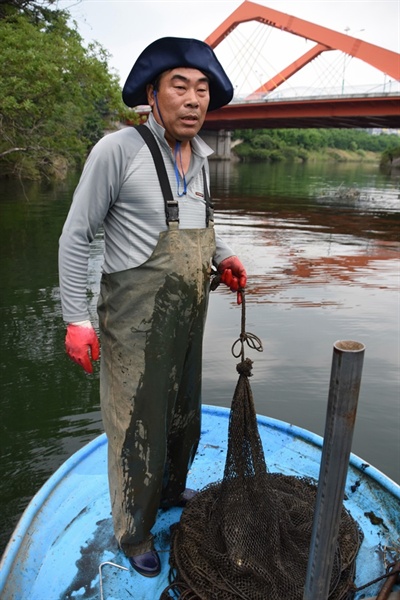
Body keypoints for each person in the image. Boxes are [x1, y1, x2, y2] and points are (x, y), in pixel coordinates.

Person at [58, 36, 247, 578]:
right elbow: (77, 236)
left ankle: (168, 492)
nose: (193, 100)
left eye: (202, 89)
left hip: (189, 315)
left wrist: (226, 256)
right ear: (152, 94)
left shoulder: (203, 160)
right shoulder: (116, 151)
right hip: (134, 322)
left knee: (182, 415)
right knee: (137, 424)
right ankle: (134, 531)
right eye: (180, 86)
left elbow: (201, 230)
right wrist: (77, 318)